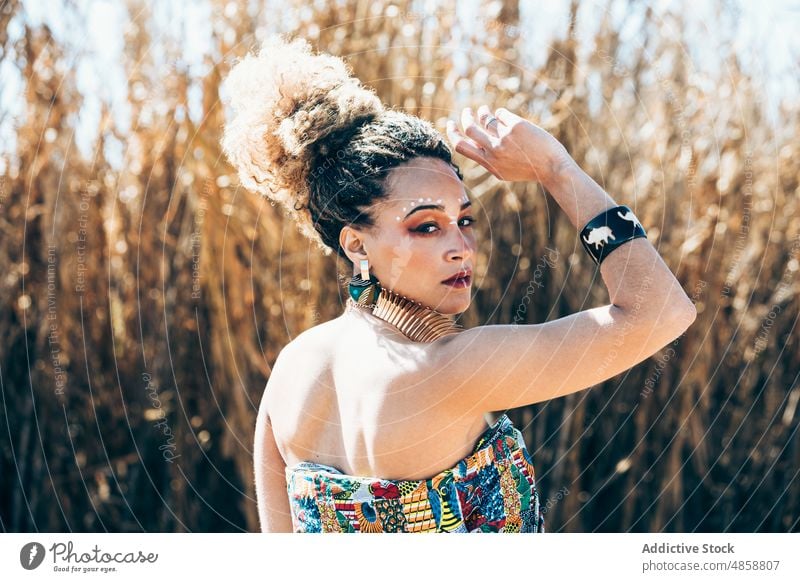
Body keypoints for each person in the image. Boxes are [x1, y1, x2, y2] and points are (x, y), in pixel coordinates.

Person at [220, 34, 697, 533]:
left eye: (464, 220)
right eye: (426, 225)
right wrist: (558, 170)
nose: (461, 246)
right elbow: (661, 312)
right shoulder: (451, 368)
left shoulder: (291, 371)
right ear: (356, 245)